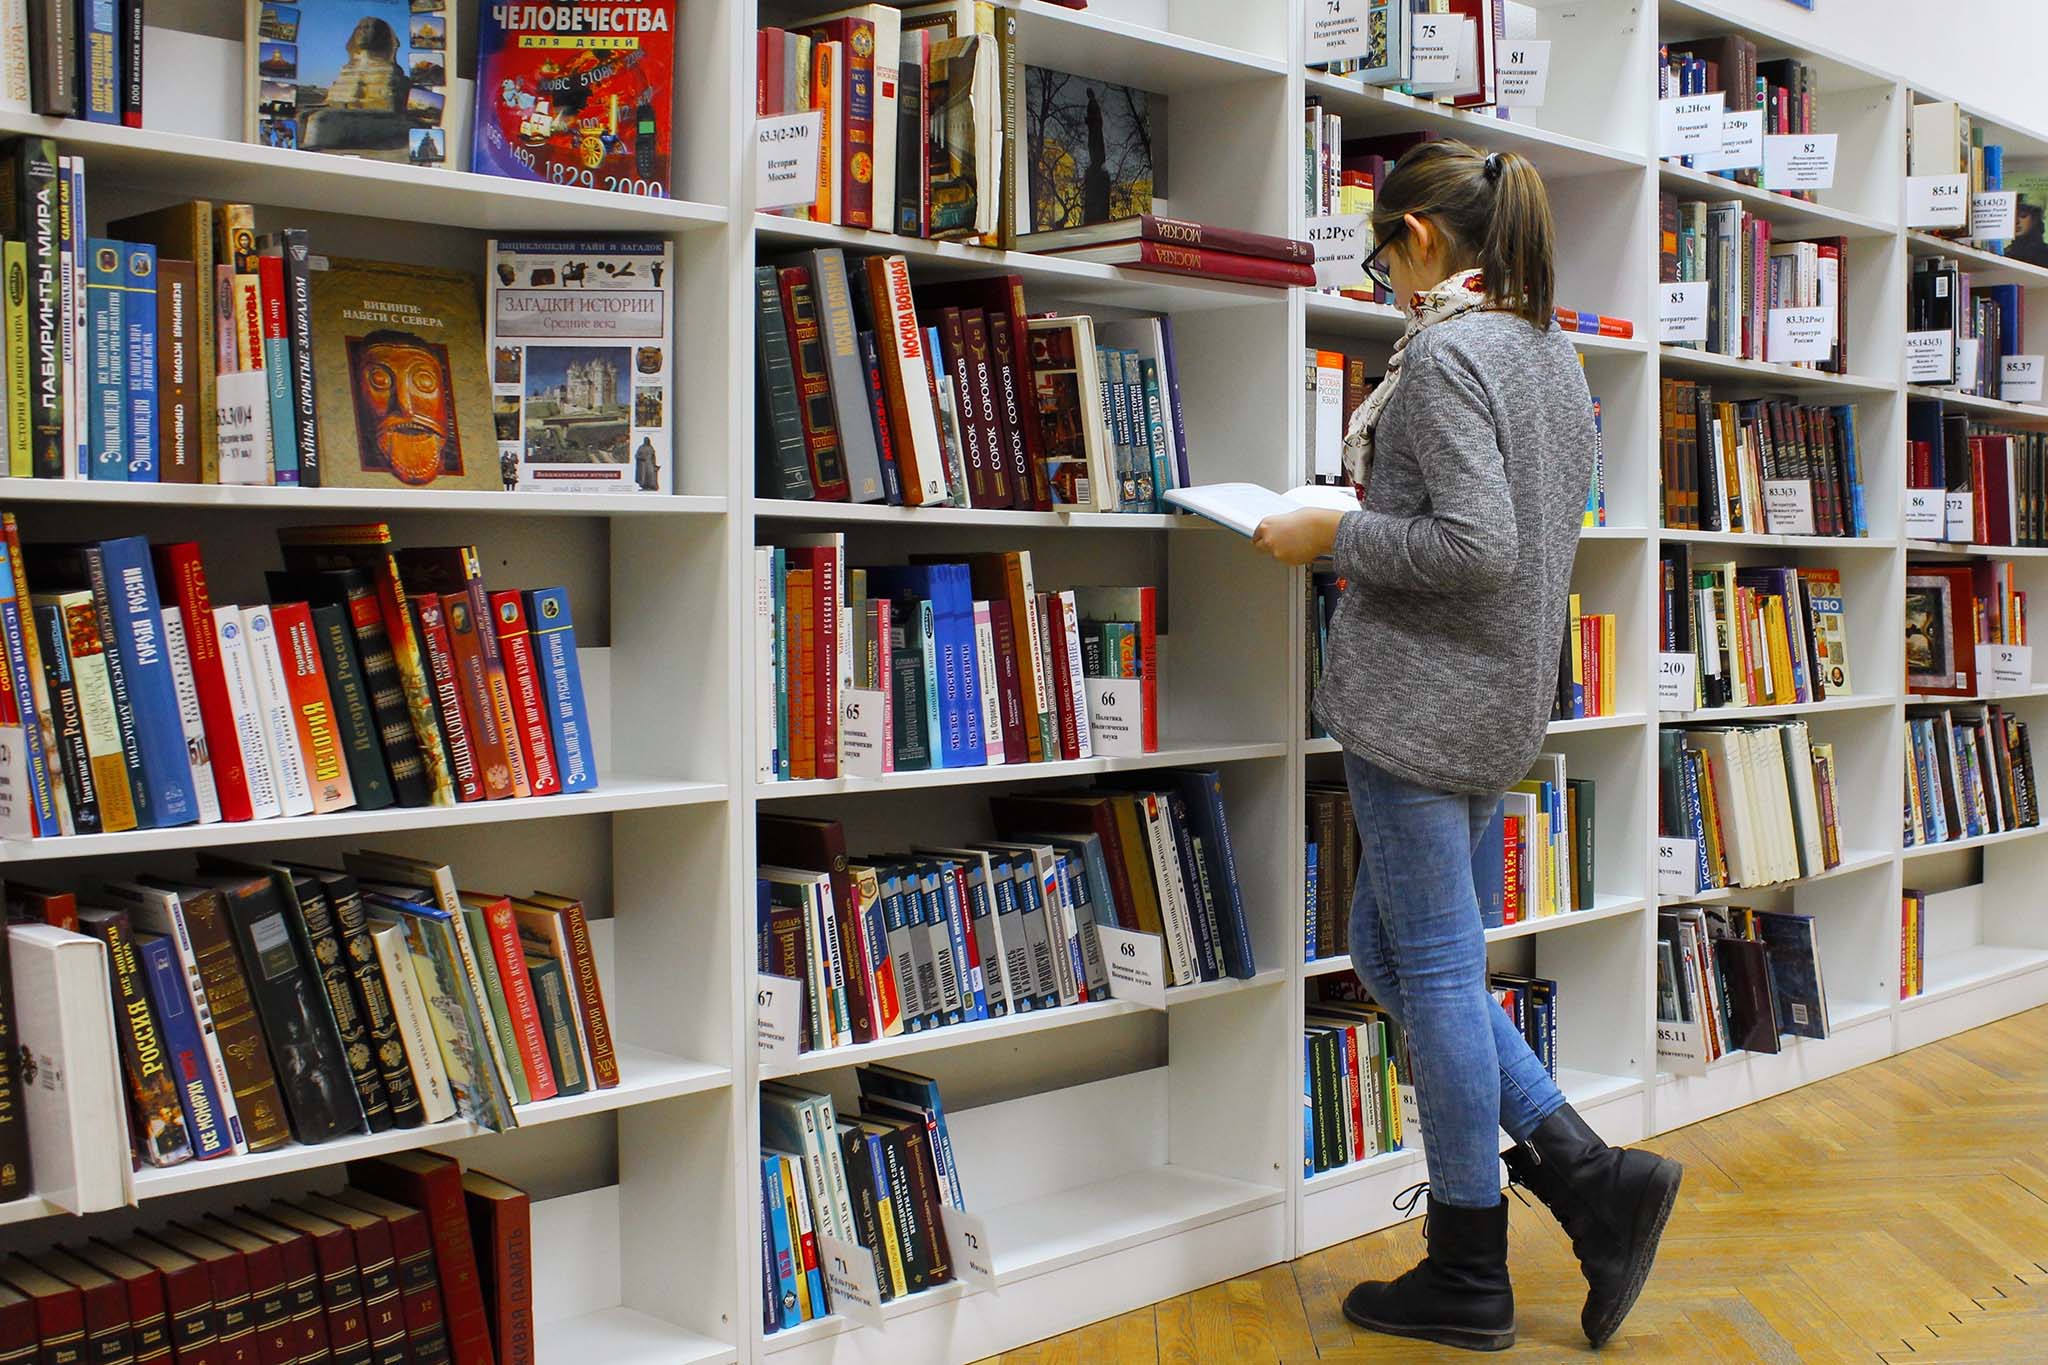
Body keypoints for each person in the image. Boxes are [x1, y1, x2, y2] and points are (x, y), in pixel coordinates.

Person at [1254, 141, 1682, 1353]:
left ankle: (1467, 1264)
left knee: (1431, 971)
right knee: (1385, 950)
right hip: (1494, 697)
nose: (1382, 276)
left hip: (1419, 700)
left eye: (1381, 252)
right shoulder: (1548, 353)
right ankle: (1584, 1170)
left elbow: (1473, 548)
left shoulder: (1443, 356)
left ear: (1422, 242)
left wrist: (1331, 533)